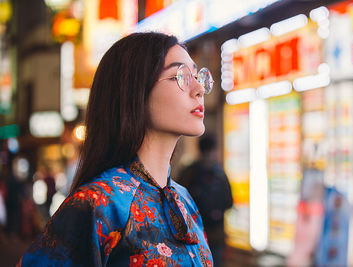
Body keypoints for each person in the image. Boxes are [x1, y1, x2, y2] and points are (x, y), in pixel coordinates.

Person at [19, 32, 215, 266]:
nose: (199, 90)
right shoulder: (97, 203)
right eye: (179, 76)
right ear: (133, 90)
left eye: (197, 75)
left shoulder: (184, 199)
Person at [177, 135, 233, 267]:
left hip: (194, 233)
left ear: (199, 148)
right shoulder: (220, 172)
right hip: (216, 232)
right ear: (214, 149)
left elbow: (176, 199)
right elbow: (229, 202)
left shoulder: (189, 171)